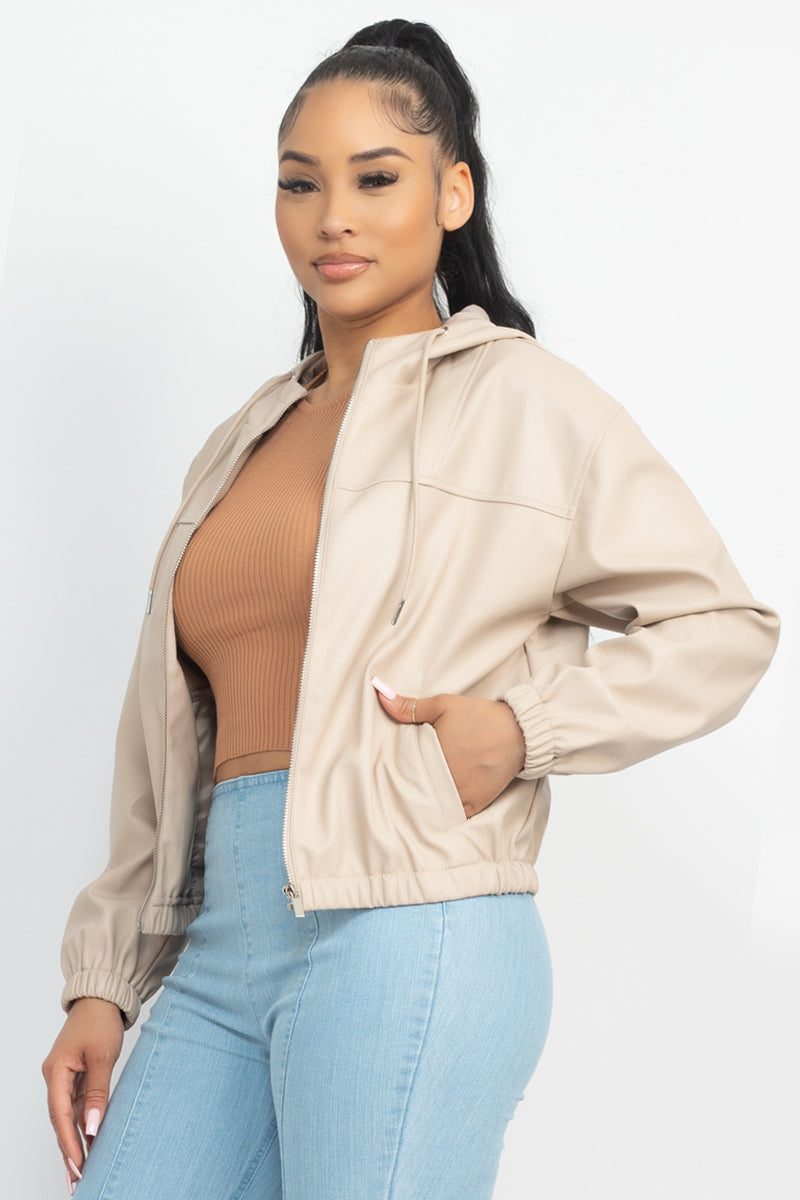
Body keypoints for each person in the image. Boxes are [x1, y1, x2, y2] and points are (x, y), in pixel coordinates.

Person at [42, 18, 779, 1200]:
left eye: (375, 179)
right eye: (300, 183)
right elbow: (169, 740)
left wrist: (521, 730)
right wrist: (106, 980)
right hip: (222, 949)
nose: (332, 216)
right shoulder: (240, 440)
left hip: (409, 925)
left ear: (452, 193)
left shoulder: (521, 401)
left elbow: (720, 626)